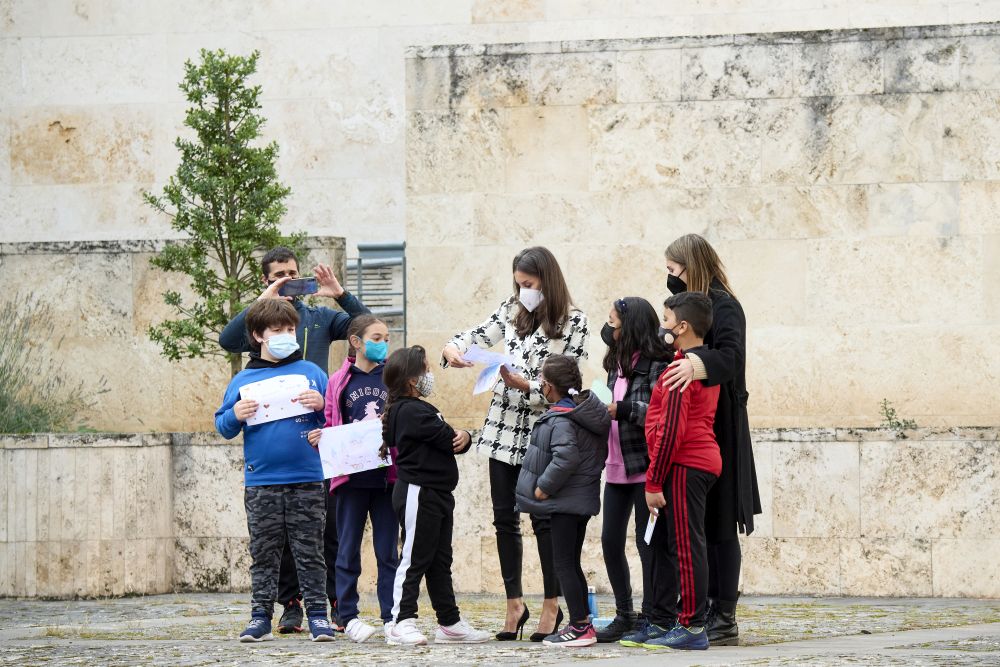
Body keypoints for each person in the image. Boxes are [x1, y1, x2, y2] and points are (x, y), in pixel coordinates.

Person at [220, 245, 371, 633]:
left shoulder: (319, 318)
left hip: (316, 447)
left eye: (292, 274)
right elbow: (229, 339)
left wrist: (339, 293)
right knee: (274, 544)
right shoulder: (258, 332)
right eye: (278, 276)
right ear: (267, 280)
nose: (287, 281)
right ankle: (287, 606)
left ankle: (331, 607)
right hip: (268, 469)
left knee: (324, 534)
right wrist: (263, 301)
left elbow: (366, 328)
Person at [441, 247, 589, 641]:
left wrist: (526, 385)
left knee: (544, 520)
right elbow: (474, 335)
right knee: (504, 519)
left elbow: (571, 386)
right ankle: (514, 602)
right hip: (503, 428)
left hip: (546, 430)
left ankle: (552, 603)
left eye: (529, 284)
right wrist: (453, 350)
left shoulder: (575, 322)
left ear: (547, 279)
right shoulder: (511, 310)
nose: (523, 290)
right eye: (519, 284)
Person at [657, 234, 761, 645]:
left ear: (691, 265)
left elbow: (732, 358)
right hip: (691, 423)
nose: (669, 279)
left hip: (721, 425)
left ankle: (724, 613)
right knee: (692, 525)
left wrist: (698, 364)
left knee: (720, 523)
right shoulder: (687, 307)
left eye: (672, 271)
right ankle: (695, 608)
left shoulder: (725, 306)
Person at [213, 299, 336, 643]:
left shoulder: (311, 373)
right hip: (262, 481)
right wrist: (235, 412)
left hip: (308, 479)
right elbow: (223, 426)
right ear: (258, 335)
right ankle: (259, 618)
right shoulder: (243, 379)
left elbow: (336, 422)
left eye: (290, 330)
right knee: (263, 554)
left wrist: (322, 406)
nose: (286, 336)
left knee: (310, 551)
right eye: (277, 331)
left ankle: (318, 618)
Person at [380, 346, 491, 646]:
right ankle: (400, 621)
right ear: (413, 381)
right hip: (419, 492)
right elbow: (448, 438)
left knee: (440, 560)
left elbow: (455, 440)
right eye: (427, 370)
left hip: (438, 493)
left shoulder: (418, 409)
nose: (431, 374)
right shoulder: (412, 411)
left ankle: (449, 622)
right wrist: (463, 435)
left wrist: (463, 437)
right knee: (415, 557)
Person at [628, 291, 720, 651]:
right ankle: (680, 621)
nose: (660, 328)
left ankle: (693, 626)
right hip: (693, 460)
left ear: (681, 326)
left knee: (685, 544)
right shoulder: (692, 362)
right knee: (681, 541)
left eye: (665, 321)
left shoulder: (683, 368)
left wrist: (653, 481)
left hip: (687, 461)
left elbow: (671, 429)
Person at [306, 315, 398, 644]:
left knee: (388, 550)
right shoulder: (338, 381)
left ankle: (392, 616)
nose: (383, 342)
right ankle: (348, 615)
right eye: (376, 336)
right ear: (356, 341)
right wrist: (323, 438)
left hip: (387, 479)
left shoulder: (394, 377)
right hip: (351, 479)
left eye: (386, 337)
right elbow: (332, 421)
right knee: (346, 550)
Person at [515, 355, 611, 648]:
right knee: (571, 562)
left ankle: (580, 626)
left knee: (564, 564)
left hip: (565, 502)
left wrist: (543, 487)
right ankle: (582, 623)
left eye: (542, 381)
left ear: (548, 386)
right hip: (576, 500)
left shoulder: (561, 419)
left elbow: (566, 456)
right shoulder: (578, 413)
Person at [595, 297, 673, 643]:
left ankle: (654, 614)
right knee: (610, 541)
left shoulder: (658, 362)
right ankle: (625, 613)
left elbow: (658, 408)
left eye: (614, 323)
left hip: (644, 466)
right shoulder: (618, 363)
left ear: (631, 327)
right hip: (615, 465)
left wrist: (623, 409)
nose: (609, 329)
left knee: (648, 543)